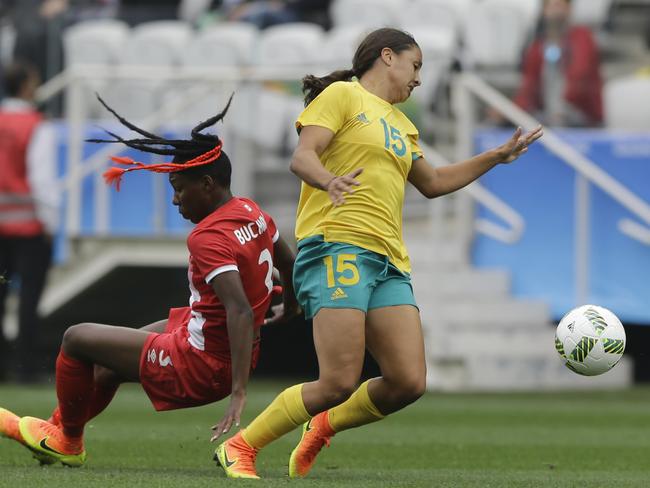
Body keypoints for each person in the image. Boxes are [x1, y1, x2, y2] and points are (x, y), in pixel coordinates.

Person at [212, 27, 543, 479]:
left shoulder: (402, 124)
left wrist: (494, 157)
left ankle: (323, 426)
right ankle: (241, 445)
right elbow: (302, 157)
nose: (419, 78)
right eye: (416, 65)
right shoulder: (342, 96)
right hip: (337, 243)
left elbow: (434, 183)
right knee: (338, 380)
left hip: (388, 260)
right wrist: (329, 181)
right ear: (388, 56)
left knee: (408, 381)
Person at [0, 94, 300, 467]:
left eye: (178, 189)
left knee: (76, 338)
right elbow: (289, 261)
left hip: (202, 364)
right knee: (107, 363)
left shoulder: (207, 237)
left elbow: (238, 308)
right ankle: (56, 432)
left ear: (206, 184)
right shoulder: (251, 210)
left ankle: (66, 440)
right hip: (215, 339)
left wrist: (238, 393)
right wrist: (293, 303)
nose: (175, 201)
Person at [0, 61, 58, 382]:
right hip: (29, 228)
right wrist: (50, 223)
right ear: (25, 86)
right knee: (28, 299)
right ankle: (26, 367)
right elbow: (42, 180)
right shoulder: (37, 126)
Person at [513, 0, 603, 127]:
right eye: (551, 6)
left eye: (559, 5)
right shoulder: (537, 46)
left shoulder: (582, 37)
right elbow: (529, 85)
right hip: (547, 116)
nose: (555, 12)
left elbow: (580, 74)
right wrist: (512, 110)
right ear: (543, 11)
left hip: (582, 117)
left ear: (569, 9)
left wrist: (563, 106)